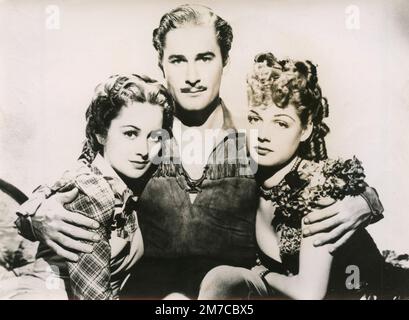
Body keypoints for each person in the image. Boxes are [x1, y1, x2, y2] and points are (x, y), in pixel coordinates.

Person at [15, 5, 384, 299]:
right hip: (152, 292)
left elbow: (317, 173)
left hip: (231, 294)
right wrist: (35, 213)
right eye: (178, 60)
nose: (192, 74)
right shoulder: (146, 135)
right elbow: (83, 174)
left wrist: (367, 202)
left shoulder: (253, 134)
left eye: (205, 58)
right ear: (161, 63)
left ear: (225, 60)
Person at [198, 53, 390, 300]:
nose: (263, 134)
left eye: (281, 123)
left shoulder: (318, 188)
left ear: (306, 128)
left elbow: (309, 293)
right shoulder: (245, 179)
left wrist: (261, 273)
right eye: (256, 119)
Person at [1, 74, 172, 299]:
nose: (144, 149)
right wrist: (31, 215)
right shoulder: (94, 191)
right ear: (101, 133)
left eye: (154, 137)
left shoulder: (128, 180)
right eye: (130, 133)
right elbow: (93, 295)